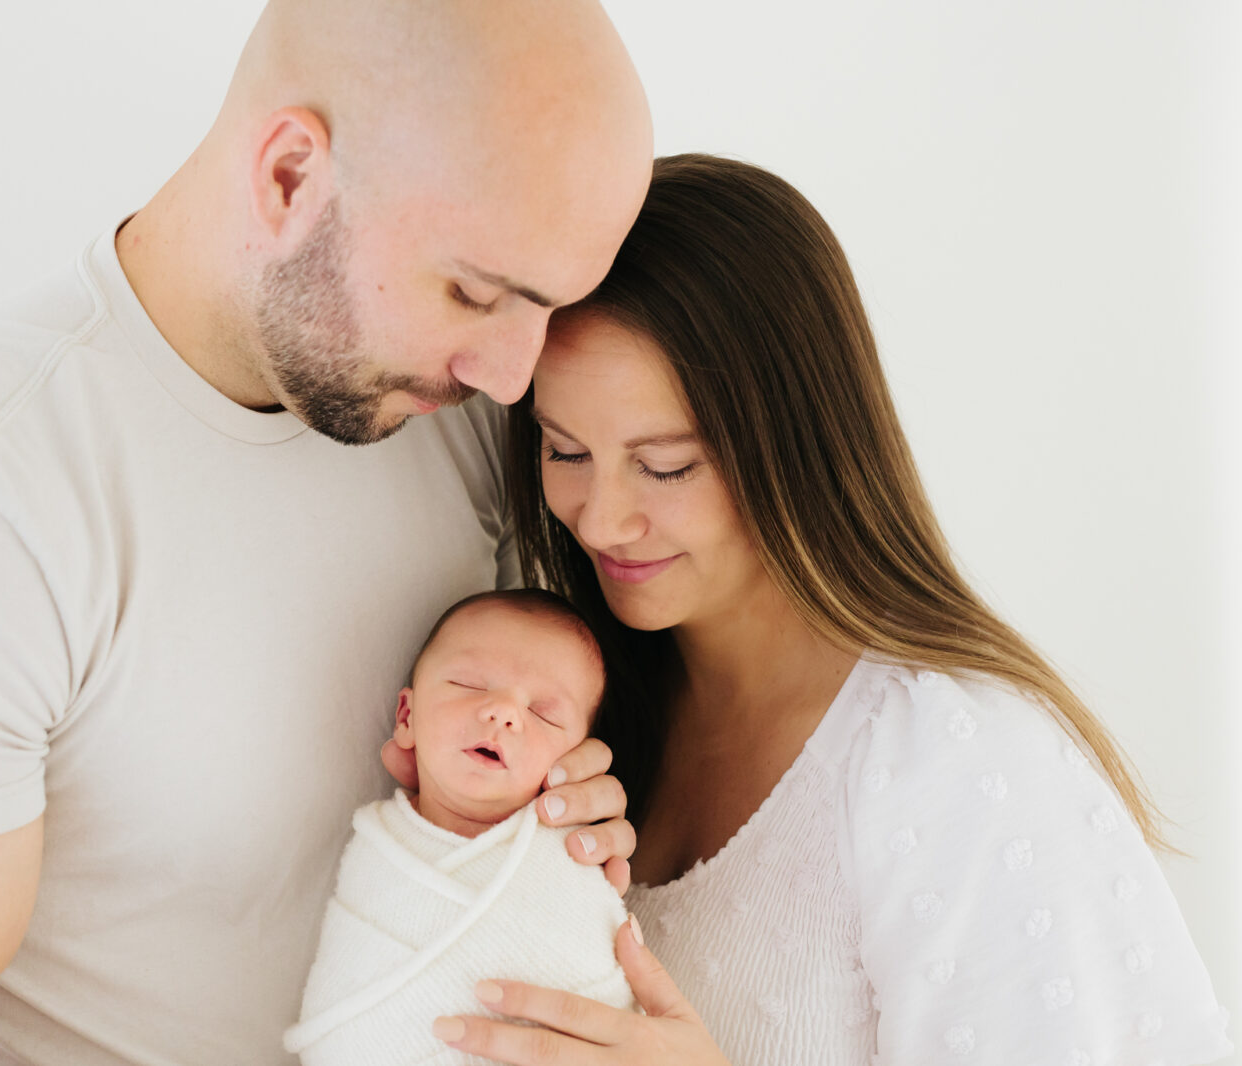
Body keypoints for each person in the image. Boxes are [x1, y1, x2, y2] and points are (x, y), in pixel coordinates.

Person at [0, 3, 653, 1064]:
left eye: (544, 309)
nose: (511, 374)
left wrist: (548, 833)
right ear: (291, 176)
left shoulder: (458, 420)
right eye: (475, 292)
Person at [430, 155, 1234, 1065]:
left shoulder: (956, 764)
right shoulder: (586, 717)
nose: (602, 519)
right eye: (565, 450)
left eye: (666, 466)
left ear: (796, 447)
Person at [285, 589, 633, 1065]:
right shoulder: (380, 844)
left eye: (544, 714)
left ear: (577, 762)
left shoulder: (573, 859)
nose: (504, 712)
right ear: (406, 716)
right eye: (469, 684)